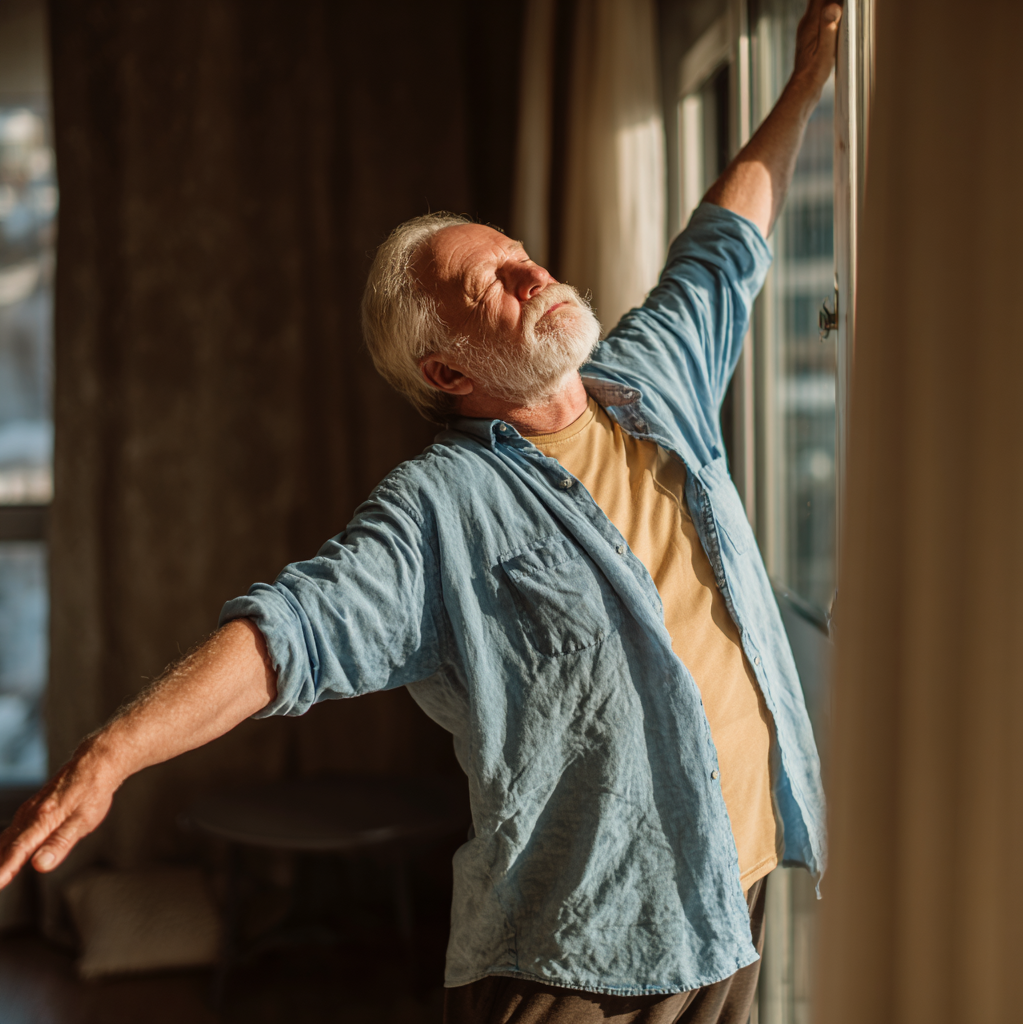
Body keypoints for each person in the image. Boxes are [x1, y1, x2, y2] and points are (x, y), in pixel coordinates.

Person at [0, 2, 839, 1020]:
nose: (533, 269)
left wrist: (804, 83)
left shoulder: (650, 380)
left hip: (732, 891)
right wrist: (112, 752)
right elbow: (289, 633)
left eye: (518, 250)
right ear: (447, 367)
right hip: (585, 954)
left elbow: (724, 244)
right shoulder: (443, 504)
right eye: (493, 281)